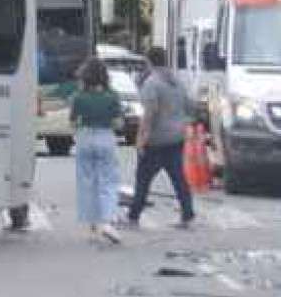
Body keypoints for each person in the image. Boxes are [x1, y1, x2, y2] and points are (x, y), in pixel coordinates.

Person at [123, 45, 195, 229]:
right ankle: (187, 213)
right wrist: (182, 124)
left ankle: (133, 215)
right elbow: (190, 107)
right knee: (178, 177)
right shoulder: (177, 82)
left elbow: (149, 114)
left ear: (149, 62)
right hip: (176, 137)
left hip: (156, 139)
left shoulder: (152, 83)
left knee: (143, 179)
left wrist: (140, 139)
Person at [67, 56, 124, 242]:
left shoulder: (78, 98)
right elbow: (118, 123)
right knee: (107, 181)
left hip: (85, 138)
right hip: (105, 137)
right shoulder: (112, 96)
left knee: (87, 181)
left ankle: (92, 222)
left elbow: (73, 123)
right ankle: (106, 221)